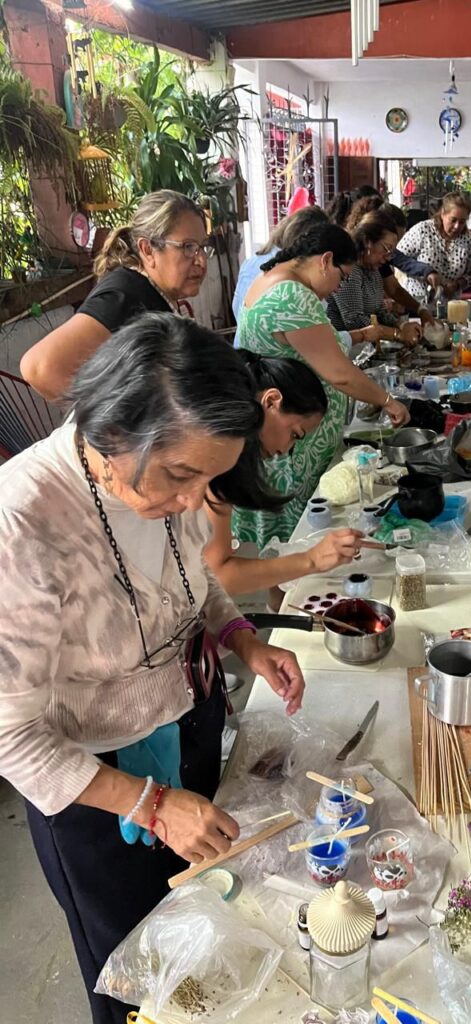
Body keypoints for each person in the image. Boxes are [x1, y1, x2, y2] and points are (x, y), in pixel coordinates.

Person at [0, 313, 306, 1024]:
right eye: (181, 476)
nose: (194, 501)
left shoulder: (175, 481)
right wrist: (151, 804)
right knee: (136, 976)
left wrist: (241, 638)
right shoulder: (23, 522)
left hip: (186, 728)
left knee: (206, 933)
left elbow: (193, 579)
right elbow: (11, 736)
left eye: (210, 479)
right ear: (112, 431)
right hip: (95, 787)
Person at [235, 222, 409, 547]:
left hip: (284, 430)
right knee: (295, 540)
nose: (337, 289)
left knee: (290, 540)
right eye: (342, 278)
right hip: (287, 438)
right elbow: (339, 373)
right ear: (326, 260)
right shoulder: (292, 296)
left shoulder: (272, 280)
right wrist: (388, 401)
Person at [204, 354, 362, 607]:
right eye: (295, 434)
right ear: (271, 401)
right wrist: (311, 560)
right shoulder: (216, 450)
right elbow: (219, 575)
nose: (285, 450)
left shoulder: (228, 450)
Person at [21, 190, 211, 400]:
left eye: (202, 247)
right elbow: (40, 368)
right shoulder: (126, 297)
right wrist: (117, 417)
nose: (201, 260)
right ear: (147, 250)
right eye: (188, 247)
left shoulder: (152, 293)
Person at [232, 206, 328, 342]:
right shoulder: (292, 274)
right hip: (267, 351)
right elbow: (311, 333)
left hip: (244, 347)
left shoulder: (251, 262)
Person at [326, 211, 423, 343]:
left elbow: (380, 312)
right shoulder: (349, 271)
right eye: (386, 249)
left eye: (391, 253)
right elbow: (354, 320)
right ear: (367, 242)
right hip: (343, 347)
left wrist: (402, 325)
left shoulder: (374, 271)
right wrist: (397, 334)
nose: (388, 257)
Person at [396, 191, 471, 305]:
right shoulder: (423, 230)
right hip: (417, 302)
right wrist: (425, 271)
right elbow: (397, 257)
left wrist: (457, 284)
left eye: (462, 222)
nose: (457, 226)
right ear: (443, 214)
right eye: (453, 220)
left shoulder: (468, 239)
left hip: (450, 305)